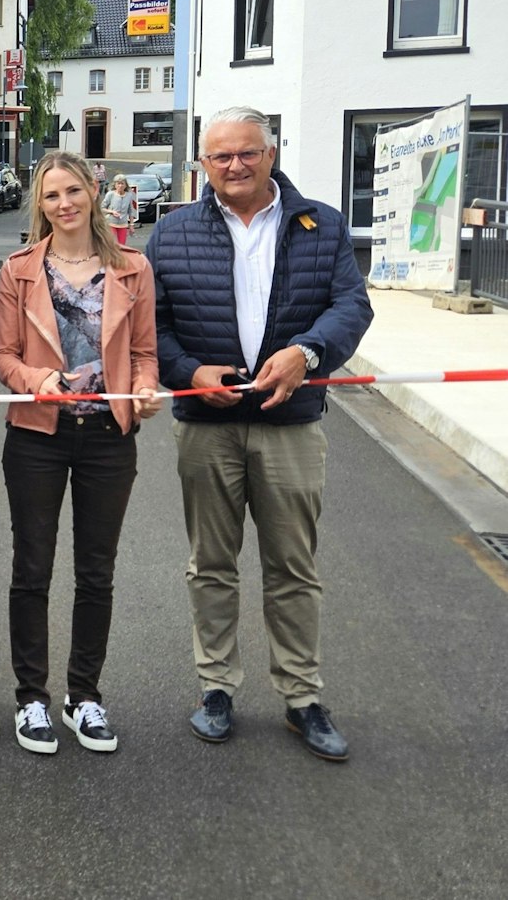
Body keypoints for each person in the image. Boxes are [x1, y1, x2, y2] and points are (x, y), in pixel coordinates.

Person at [145, 105, 372, 762]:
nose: (235, 165)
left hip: (289, 426)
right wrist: (188, 372)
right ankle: (216, 688)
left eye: (247, 152)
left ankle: (301, 697)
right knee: (211, 566)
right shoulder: (172, 233)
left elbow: (351, 306)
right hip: (207, 427)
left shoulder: (321, 225)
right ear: (203, 164)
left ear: (270, 154)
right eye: (220, 156)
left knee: (292, 568)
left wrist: (306, 353)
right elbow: (149, 325)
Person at [0, 152, 163, 756]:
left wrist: (144, 387)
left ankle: (83, 696)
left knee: (96, 571)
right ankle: (31, 699)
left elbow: (143, 353)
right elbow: (3, 357)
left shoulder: (133, 269)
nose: (63, 203)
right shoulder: (19, 271)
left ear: (93, 192)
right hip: (36, 436)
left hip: (109, 438)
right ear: (40, 204)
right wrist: (35, 379)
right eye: (51, 195)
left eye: (73, 191)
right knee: (31, 569)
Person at [101, 175, 139, 246]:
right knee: (112, 245)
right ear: (115, 185)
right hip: (111, 223)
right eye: (118, 183)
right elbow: (102, 208)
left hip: (123, 224)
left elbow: (131, 211)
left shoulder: (129, 195)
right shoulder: (110, 194)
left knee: (122, 245)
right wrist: (112, 212)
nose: (120, 186)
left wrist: (131, 225)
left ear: (125, 185)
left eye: (122, 183)